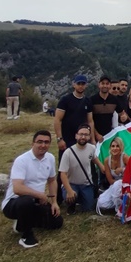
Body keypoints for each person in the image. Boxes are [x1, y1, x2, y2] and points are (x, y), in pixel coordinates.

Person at [2, 130, 63, 248]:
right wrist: (39, 195)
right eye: (39, 142)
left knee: (57, 222)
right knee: (26, 201)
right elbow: (17, 188)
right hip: (14, 202)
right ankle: (26, 236)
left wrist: (54, 202)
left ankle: (22, 223)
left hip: (36, 202)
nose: (43, 145)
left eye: (46, 142)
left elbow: (51, 180)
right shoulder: (22, 160)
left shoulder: (50, 158)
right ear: (32, 143)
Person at [54, 74, 95, 204]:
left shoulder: (87, 101)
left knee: (88, 166)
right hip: (67, 140)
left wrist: (92, 139)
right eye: (79, 83)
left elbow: (90, 121)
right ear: (74, 84)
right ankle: (58, 198)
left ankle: (89, 194)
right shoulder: (65, 100)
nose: (81, 86)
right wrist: (59, 138)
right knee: (63, 169)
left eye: (83, 84)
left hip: (83, 140)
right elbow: (57, 119)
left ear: (86, 85)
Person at [59, 124, 105, 213]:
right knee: (71, 197)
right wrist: (69, 190)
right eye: (81, 134)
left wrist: (102, 167)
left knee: (89, 208)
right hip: (71, 184)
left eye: (86, 135)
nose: (83, 137)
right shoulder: (68, 152)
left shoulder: (92, 148)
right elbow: (63, 174)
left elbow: (93, 158)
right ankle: (71, 205)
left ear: (89, 137)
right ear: (76, 136)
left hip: (86, 184)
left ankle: (82, 199)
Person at [96, 137, 128, 215]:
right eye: (113, 146)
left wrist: (122, 170)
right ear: (110, 148)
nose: (115, 148)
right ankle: (119, 202)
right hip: (114, 185)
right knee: (101, 203)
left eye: (117, 146)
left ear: (121, 148)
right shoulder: (107, 160)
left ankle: (119, 210)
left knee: (118, 184)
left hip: (126, 185)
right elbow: (110, 181)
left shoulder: (125, 158)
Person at [90, 75, 123, 143]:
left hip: (109, 136)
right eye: (103, 83)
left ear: (110, 85)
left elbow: (121, 113)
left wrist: (124, 117)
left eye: (107, 84)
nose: (105, 86)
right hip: (95, 137)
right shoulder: (92, 100)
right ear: (99, 85)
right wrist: (96, 135)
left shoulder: (114, 100)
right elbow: (89, 120)